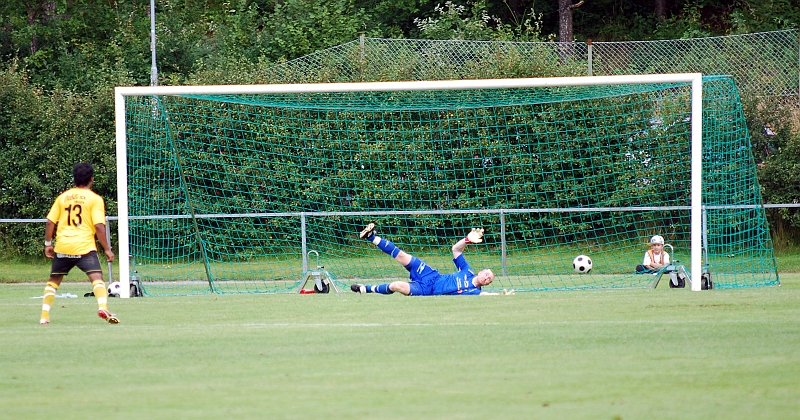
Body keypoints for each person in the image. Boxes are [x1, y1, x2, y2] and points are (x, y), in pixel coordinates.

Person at [39, 162, 119, 325]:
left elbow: (49, 222)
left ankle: (44, 316)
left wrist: (48, 243)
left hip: (63, 246)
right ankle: (102, 307)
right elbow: (98, 226)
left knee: (54, 281)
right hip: (84, 247)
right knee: (97, 278)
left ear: (75, 179)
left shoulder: (63, 197)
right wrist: (107, 249)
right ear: (91, 179)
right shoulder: (95, 199)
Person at [350, 223, 510, 296]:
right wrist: (467, 240)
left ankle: (365, 289)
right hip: (431, 275)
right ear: (481, 271)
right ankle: (371, 237)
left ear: (487, 284)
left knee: (396, 286)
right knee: (402, 256)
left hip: (426, 290)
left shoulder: (475, 292)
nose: (487, 278)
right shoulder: (467, 271)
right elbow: (455, 249)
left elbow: (486, 296)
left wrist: (500, 295)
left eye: (489, 280)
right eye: (487, 274)